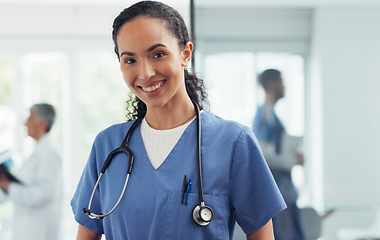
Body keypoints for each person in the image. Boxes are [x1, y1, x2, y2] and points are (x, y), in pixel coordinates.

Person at [70, 1, 286, 239]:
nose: (145, 73)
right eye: (130, 60)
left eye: (158, 54)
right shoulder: (107, 146)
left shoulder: (233, 143)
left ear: (185, 54)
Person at [0, 103, 63, 240]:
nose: (25, 124)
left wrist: (9, 186)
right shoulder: (39, 151)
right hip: (29, 227)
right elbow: (15, 188)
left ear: (42, 125)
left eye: (29, 119)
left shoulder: (48, 152)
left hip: (40, 228)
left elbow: (45, 194)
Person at [252, 69, 305, 240]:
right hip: (278, 190)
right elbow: (265, 155)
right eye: (281, 82)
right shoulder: (265, 115)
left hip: (284, 189)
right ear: (272, 85)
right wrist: (291, 161)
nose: (284, 86)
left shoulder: (271, 115)